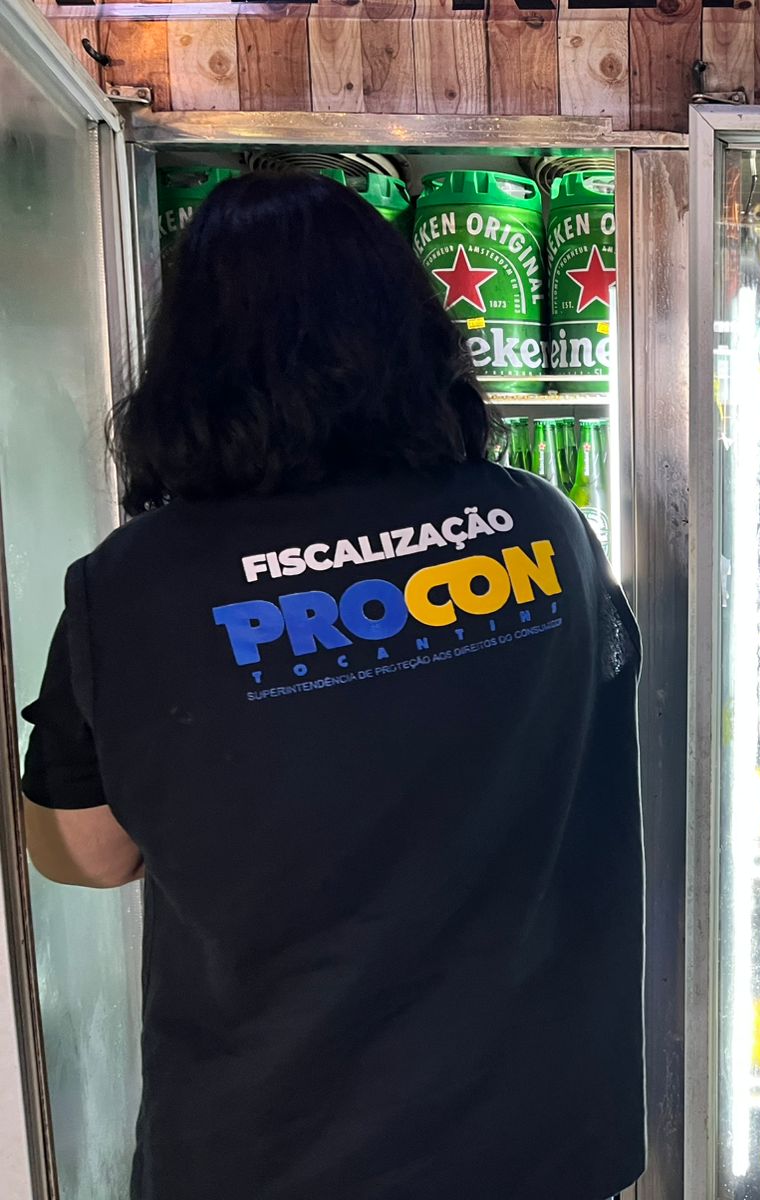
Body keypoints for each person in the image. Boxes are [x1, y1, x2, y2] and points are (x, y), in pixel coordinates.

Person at [18, 173, 644, 1200]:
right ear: (417, 337)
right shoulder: (542, 523)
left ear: (189, 366)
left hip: (280, 1149)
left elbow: (84, 853)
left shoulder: (133, 586)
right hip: (538, 1136)